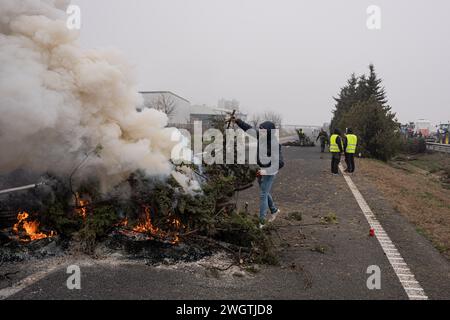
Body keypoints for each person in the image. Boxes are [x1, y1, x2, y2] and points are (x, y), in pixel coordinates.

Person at [232, 117, 284, 228]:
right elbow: (249, 128)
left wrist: (265, 171)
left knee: (263, 194)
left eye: (263, 130)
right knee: (264, 192)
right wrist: (238, 121)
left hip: (269, 171)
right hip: (259, 169)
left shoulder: (274, 144)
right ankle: (274, 210)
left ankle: (261, 222)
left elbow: (280, 163)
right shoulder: (261, 136)